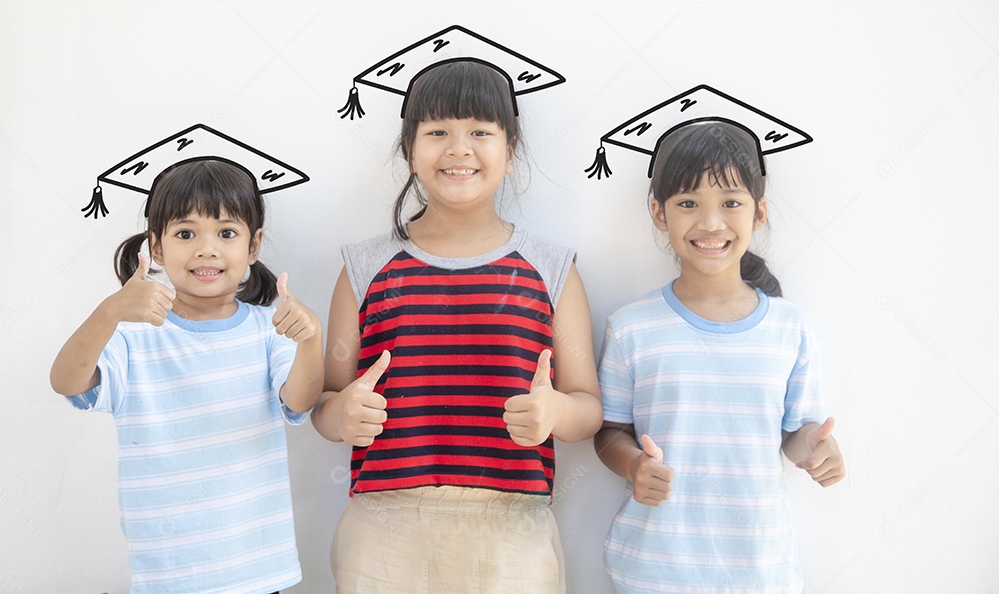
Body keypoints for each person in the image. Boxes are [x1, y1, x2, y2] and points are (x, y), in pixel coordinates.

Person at [314, 58, 603, 594]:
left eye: (480, 132)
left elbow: (587, 408)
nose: (458, 148)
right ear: (410, 151)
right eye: (437, 131)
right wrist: (342, 416)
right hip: (384, 530)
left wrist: (556, 411)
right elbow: (327, 403)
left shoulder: (552, 268)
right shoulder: (363, 267)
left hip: (511, 531)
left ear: (510, 151)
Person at [51, 145, 322, 594]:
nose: (206, 250)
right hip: (167, 574)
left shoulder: (266, 331)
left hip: (255, 570)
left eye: (227, 233)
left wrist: (310, 339)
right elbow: (66, 382)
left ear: (253, 245)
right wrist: (107, 314)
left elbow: (299, 402)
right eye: (185, 234)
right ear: (155, 246)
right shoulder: (133, 336)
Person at [594, 117, 845, 593]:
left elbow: (795, 434)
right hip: (653, 570)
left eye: (730, 203)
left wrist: (815, 447)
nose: (710, 223)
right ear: (659, 213)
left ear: (759, 212)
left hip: (759, 571)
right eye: (688, 203)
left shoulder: (790, 328)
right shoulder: (631, 327)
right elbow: (609, 432)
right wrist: (633, 466)